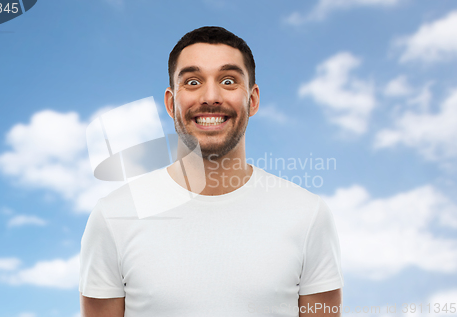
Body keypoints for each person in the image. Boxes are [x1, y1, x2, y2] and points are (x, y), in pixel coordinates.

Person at [79, 26, 343, 317]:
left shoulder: (307, 215)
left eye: (228, 80)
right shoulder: (113, 216)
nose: (210, 96)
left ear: (252, 100)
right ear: (170, 103)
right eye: (192, 82)